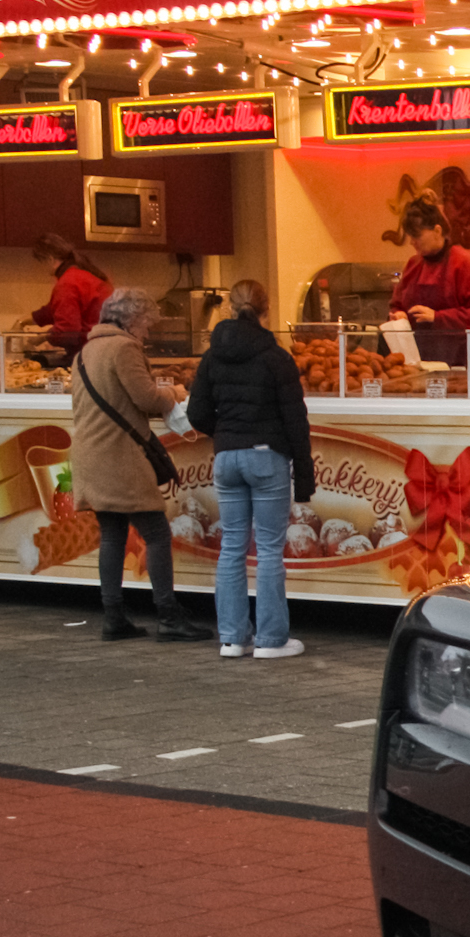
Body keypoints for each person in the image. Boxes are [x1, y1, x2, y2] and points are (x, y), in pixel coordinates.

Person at [71, 287, 211, 643]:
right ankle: (168, 616)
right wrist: (177, 393)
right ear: (132, 320)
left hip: (89, 453)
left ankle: (114, 616)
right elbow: (146, 398)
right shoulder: (124, 348)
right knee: (157, 533)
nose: (148, 332)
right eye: (147, 325)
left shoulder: (84, 352)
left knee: (113, 534)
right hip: (120, 456)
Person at [187, 279, 313, 660]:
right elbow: (295, 419)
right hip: (266, 456)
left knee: (231, 547)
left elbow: (196, 413)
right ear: (266, 311)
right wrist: (304, 474)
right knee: (270, 550)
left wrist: (225, 433)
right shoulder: (276, 357)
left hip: (226, 457)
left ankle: (231, 638)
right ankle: (271, 640)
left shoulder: (211, 356)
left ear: (229, 308)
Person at [388, 197, 470, 368]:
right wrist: (399, 315)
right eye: (410, 236)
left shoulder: (463, 263)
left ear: (437, 231)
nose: (412, 242)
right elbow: (396, 305)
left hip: (460, 363)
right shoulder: (413, 264)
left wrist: (438, 317)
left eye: (416, 235)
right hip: (419, 363)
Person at [31, 232, 111, 358]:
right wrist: (30, 319)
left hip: (90, 355)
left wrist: (43, 337)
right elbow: (59, 308)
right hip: (105, 351)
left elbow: (68, 332)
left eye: (40, 262)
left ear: (50, 259)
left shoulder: (67, 283)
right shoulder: (81, 274)